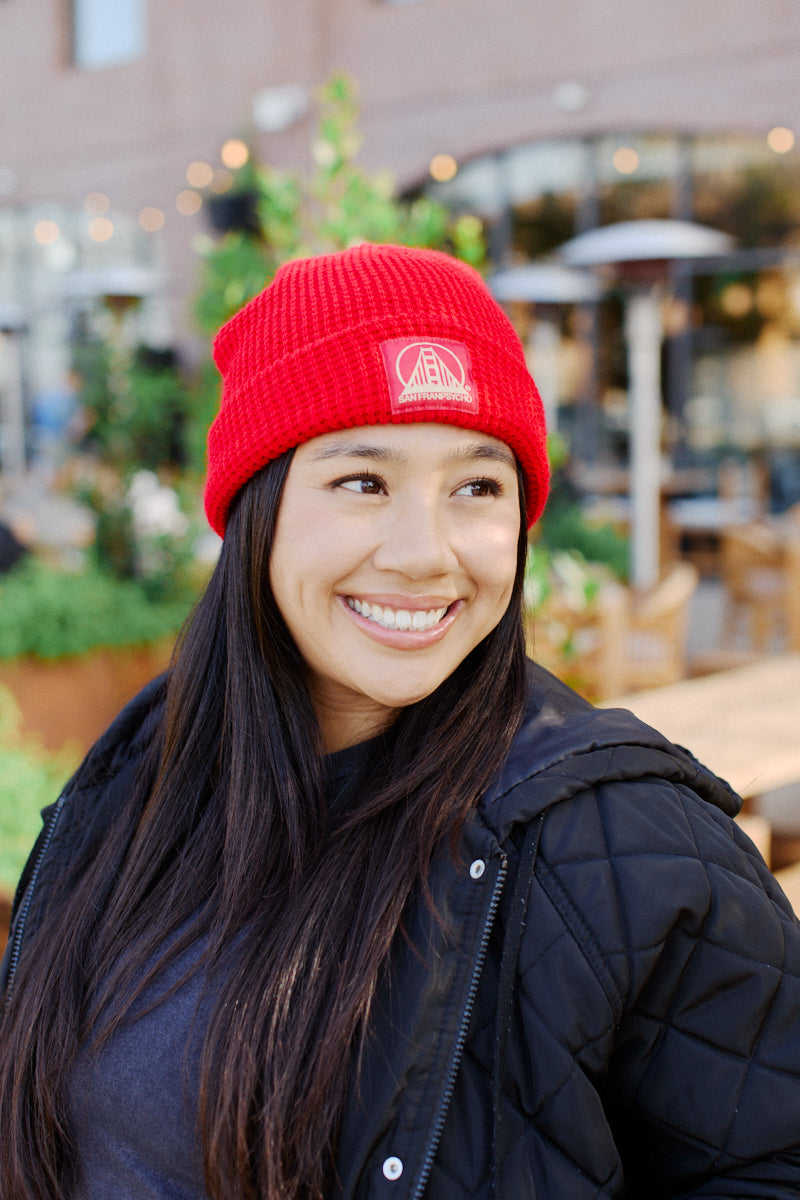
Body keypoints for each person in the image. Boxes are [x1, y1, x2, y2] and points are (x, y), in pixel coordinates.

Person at [1, 242, 799, 1200]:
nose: (425, 555)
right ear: (258, 508)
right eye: (364, 482)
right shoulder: (141, 774)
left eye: (475, 487)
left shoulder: (627, 845)